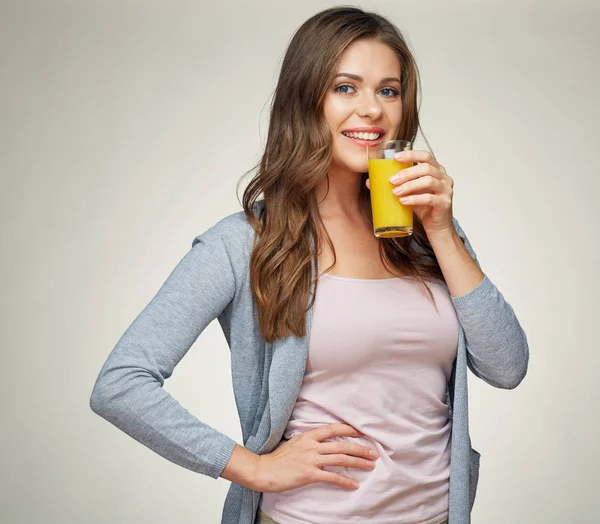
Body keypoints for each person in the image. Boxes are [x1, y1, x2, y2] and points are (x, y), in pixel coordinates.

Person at [89, 6, 529, 524]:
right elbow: (120, 384)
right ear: (306, 100)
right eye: (346, 87)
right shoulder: (245, 243)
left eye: (388, 90)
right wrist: (252, 468)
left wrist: (440, 230)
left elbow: (507, 367)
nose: (372, 109)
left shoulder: (429, 235)